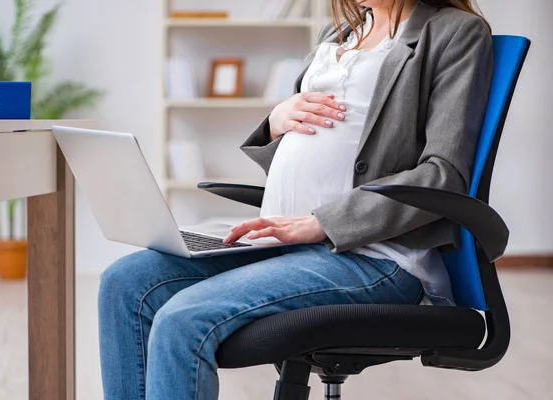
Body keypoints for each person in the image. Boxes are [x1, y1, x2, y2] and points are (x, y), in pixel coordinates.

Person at [98, 0, 493, 399]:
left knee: (183, 319)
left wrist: (323, 222)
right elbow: (315, 148)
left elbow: (443, 175)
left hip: (369, 255)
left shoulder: (451, 32)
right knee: (125, 282)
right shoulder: (339, 35)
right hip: (284, 239)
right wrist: (275, 124)